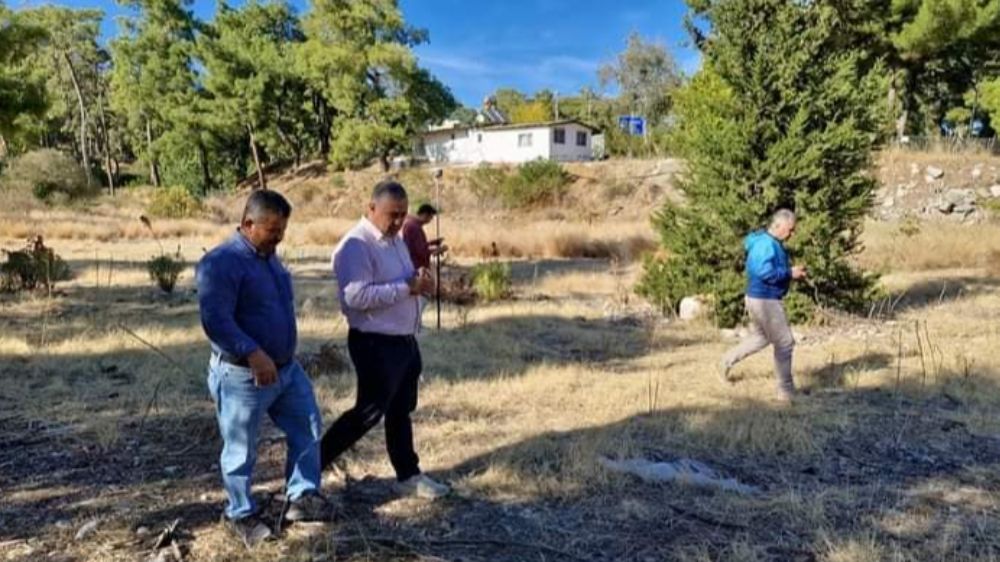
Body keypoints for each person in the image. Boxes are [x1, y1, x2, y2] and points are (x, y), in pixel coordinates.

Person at [197, 190, 328, 548]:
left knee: (308, 425)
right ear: (247, 223)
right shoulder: (221, 263)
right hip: (243, 374)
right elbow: (216, 321)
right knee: (241, 449)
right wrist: (253, 353)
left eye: (282, 230)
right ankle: (239, 514)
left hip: (286, 370)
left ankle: (301, 497)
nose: (279, 237)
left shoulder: (268, 257)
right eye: (272, 230)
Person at [320, 180, 450, 499]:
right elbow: (355, 296)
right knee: (368, 412)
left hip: (404, 341)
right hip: (375, 343)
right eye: (392, 215)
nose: (397, 222)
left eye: (403, 215)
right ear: (371, 208)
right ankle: (308, 469)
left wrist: (419, 283)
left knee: (400, 410)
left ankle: (407, 474)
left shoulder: (395, 240)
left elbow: (405, 280)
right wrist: (407, 287)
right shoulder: (356, 244)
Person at [720, 209, 807, 402]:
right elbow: (763, 272)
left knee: (761, 338)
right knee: (785, 343)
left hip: (756, 298)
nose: (792, 234)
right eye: (790, 230)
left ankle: (725, 361)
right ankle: (786, 393)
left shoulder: (763, 241)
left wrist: (790, 272)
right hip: (765, 300)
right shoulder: (766, 244)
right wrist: (789, 273)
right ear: (778, 225)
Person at [401, 204, 447, 271]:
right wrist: (438, 250)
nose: (430, 220)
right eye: (430, 217)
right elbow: (422, 252)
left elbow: (416, 245)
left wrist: (432, 243)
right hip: (417, 267)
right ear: (425, 215)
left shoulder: (412, 224)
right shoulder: (414, 227)